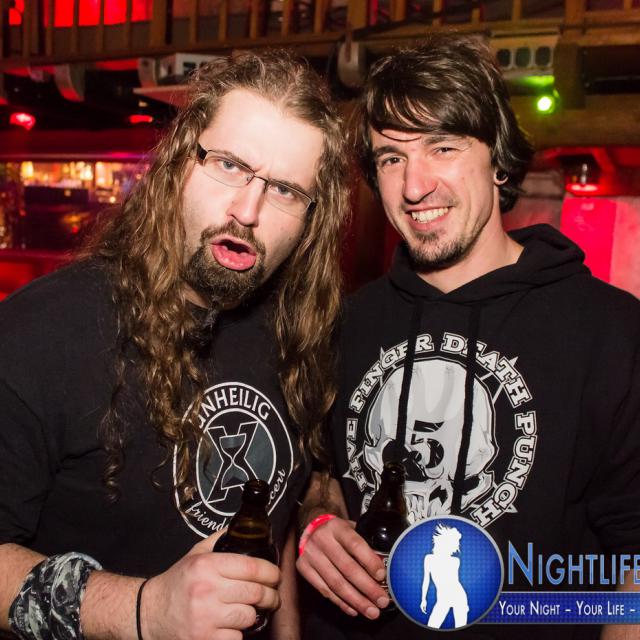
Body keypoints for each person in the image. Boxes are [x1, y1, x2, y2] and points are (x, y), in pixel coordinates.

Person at [296, 34, 640, 640]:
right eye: (391, 158)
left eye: (443, 147)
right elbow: (319, 477)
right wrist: (315, 522)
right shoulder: (341, 323)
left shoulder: (609, 330)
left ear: (499, 160)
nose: (414, 186)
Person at [0, 50, 349, 640]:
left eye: (286, 190)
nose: (247, 211)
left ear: (312, 219)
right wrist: (143, 610)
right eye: (230, 165)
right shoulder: (40, 332)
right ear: (181, 159)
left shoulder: (300, 332)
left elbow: (278, 522)